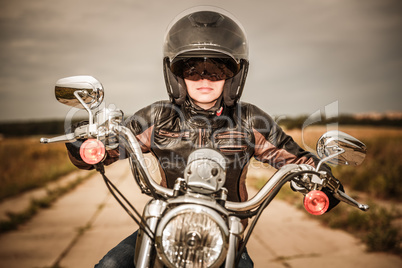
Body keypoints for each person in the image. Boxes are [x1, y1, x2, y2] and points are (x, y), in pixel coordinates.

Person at [66, 6, 342, 268]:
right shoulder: (159, 116)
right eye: (192, 70)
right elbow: (116, 144)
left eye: (217, 70)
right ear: (177, 75)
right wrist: (86, 143)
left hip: (224, 231)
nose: (204, 79)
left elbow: (293, 157)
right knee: (110, 265)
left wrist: (319, 175)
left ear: (233, 75)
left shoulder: (250, 120)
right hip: (163, 226)